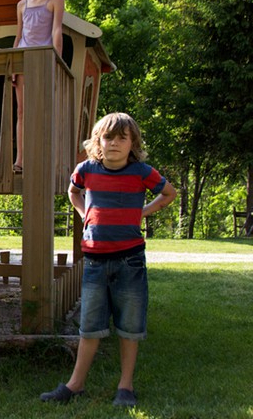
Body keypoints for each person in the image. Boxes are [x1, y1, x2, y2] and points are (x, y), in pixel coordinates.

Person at [41, 112, 177, 408]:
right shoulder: (86, 169)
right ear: (98, 142)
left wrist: (141, 213)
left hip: (130, 262)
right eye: (108, 137)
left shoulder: (142, 172)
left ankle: (125, 387)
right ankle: (75, 385)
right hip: (94, 263)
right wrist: (84, 214)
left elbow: (169, 193)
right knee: (89, 326)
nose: (114, 143)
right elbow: (73, 192)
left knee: (129, 326)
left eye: (122, 138)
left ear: (133, 143)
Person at [12, 0, 65, 173]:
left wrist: (56, 59)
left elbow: (56, 30)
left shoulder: (55, 0)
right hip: (23, 60)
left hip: (43, 59)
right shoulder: (22, 5)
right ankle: (20, 159)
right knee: (22, 111)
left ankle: (45, 156)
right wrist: (13, 65)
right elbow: (19, 35)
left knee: (43, 109)